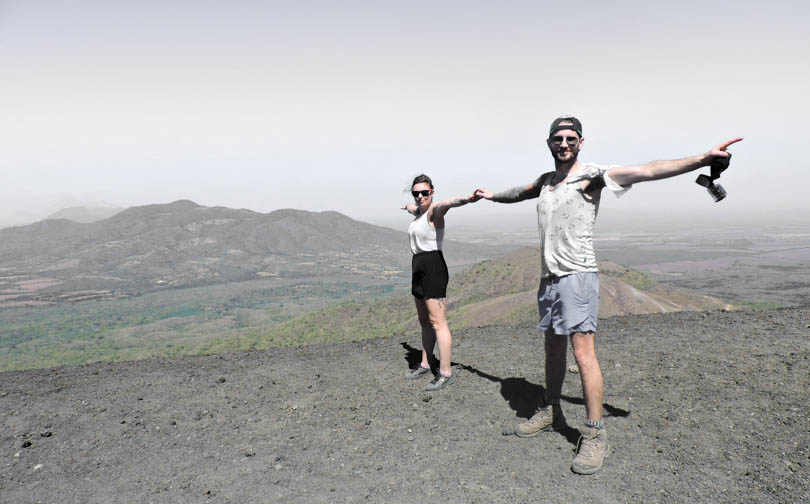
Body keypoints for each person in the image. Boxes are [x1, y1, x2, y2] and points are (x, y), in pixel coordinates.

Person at [474, 116, 742, 474]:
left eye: (571, 138)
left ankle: (595, 434)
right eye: (558, 138)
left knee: (583, 354)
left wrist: (702, 159)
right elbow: (520, 192)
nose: (564, 143)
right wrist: (491, 196)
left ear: (581, 142)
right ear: (549, 142)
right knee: (553, 347)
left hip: (578, 276)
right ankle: (551, 410)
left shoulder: (594, 176)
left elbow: (648, 170)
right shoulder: (547, 182)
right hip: (549, 278)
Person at [401, 174, 479, 391]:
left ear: (432, 192)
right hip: (418, 266)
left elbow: (447, 204)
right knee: (424, 321)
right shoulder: (418, 213)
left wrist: (467, 199)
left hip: (433, 266)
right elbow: (412, 208)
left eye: (424, 192)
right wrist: (407, 206)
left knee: (438, 323)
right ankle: (426, 363)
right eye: (416, 193)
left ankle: (445, 372)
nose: (419, 196)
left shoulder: (435, 211)